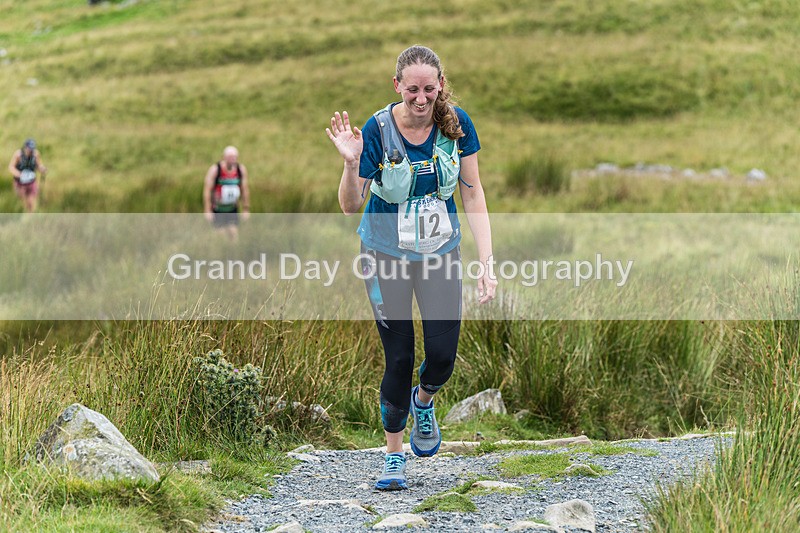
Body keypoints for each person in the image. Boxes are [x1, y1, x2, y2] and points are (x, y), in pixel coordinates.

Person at [326, 45, 496, 490]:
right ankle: (394, 455)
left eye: (429, 88)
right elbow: (350, 206)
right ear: (397, 86)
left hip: (441, 253)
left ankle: (425, 401)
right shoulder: (377, 130)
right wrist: (349, 163)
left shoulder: (457, 126)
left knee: (441, 358)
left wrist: (486, 263)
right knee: (398, 358)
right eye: (412, 89)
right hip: (384, 257)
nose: (421, 98)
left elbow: (473, 195)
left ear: (440, 85)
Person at [203, 146, 250, 241]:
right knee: (220, 235)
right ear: (224, 157)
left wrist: (246, 208)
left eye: (234, 157)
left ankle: (234, 254)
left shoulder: (240, 170)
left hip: (232, 208)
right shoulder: (216, 170)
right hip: (218, 208)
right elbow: (207, 189)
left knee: (234, 233)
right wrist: (207, 210)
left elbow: (245, 189)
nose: (232, 159)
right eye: (230, 157)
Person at [8, 138, 47, 213]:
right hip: (20, 182)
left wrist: (42, 169)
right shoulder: (18, 155)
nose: (30, 150)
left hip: (31, 182)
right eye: (29, 148)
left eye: (32, 149)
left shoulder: (36, 154)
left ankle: (30, 216)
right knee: (22, 201)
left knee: (31, 201)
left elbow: (38, 165)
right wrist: (19, 174)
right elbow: (11, 167)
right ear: (25, 147)